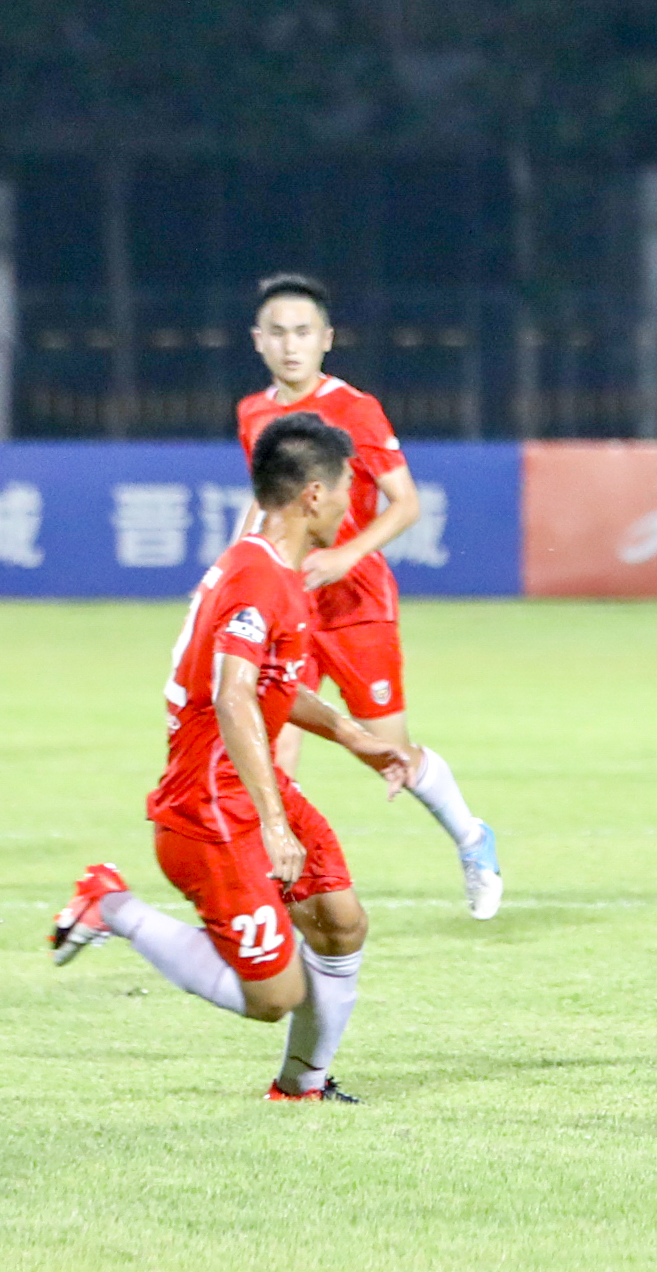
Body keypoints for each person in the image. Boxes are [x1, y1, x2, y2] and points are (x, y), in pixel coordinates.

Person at [51, 414, 417, 1100]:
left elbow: (272, 685)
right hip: (210, 808)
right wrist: (275, 824)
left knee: (340, 924)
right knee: (274, 996)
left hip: (248, 783)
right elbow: (233, 693)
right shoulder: (257, 579)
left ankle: (302, 1086)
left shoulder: (272, 568)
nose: (350, 501)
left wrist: (353, 735)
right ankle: (113, 905)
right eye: (345, 486)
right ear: (313, 494)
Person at [236, 273, 500, 918]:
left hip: (356, 604)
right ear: (258, 340)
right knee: (272, 747)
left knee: (391, 756)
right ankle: (278, 893)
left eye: (303, 332)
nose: (291, 345)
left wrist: (346, 554)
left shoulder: (355, 409)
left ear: (326, 339)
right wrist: (234, 569)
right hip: (290, 606)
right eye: (278, 333)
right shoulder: (252, 414)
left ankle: (472, 837)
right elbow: (264, 503)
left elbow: (405, 503)